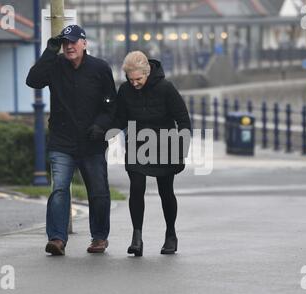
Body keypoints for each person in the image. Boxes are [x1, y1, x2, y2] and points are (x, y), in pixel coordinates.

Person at [26, 25, 116, 256]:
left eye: (73, 42)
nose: (69, 46)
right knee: (60, 190)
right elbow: (33, 80)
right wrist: (49, 52)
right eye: (65, 42)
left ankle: (99, 237)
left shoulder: (100, 68)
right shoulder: (55, 66)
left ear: (84, 43)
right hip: (62, 141)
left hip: (92, 142)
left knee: (98, 192)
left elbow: (111, 105)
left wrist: (101, 126)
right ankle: (56, 238)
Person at [115, 51, 191, 256]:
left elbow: (183, 119)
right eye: (130, 80)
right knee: (136, 188)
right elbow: (119, 119)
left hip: (165, 143)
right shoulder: (125, 91)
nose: (134, 83)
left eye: (138, 79)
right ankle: (137, 237)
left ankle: (171, 234)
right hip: (137, 144)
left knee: (165, 191)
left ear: (147, 73)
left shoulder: (166, 88)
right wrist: (101, 130)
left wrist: (182, 148)